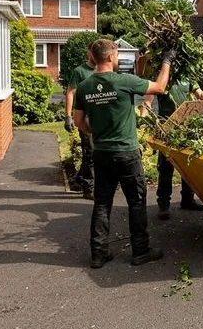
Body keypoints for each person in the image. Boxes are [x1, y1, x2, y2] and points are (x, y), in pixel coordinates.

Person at [73, 39, 176, 268]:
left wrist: (94, 130)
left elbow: (79, 121)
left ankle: (98, 254)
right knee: (136, 201)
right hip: (126, 153)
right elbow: (159, 87)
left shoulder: (85, 87)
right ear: (110, 57)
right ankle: (140, 251)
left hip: (102, 153)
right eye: (117, 55)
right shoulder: (123, 81)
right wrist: (167, 61)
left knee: (102, 203)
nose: (118, 59)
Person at [140, 81, 203, 220]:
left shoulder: (188, 76)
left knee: (187, 165)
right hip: (167, 128)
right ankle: (164, 205)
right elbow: (148, 100)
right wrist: (143, 117)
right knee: (166, 167)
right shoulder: (163, 78)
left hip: (186, 127)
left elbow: (199, 93)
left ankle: (187, 199)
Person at [65, 44, 96, 199]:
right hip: (86, 119)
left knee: (99, 153)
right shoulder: (80, 71)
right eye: (93, 51)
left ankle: (78, 180)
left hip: (102, 119)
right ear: (88, 53)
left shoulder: (104, 70)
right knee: (89, 153)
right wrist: (68, 116)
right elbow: (70, 92)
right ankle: (88, 188)